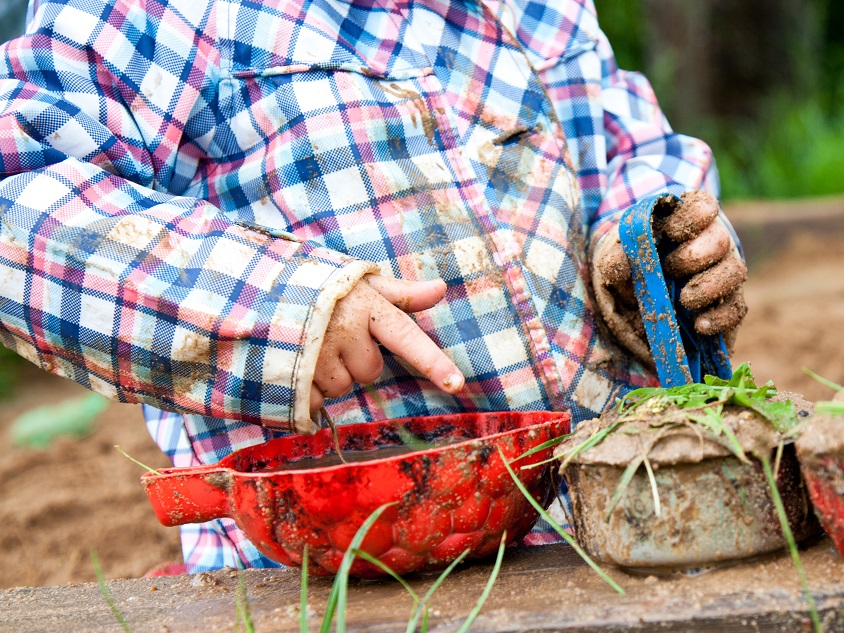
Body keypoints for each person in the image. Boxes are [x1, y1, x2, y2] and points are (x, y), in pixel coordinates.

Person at [0, 0, 745, 571]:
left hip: (618, 527)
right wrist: (287, 306)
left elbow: (625, 137)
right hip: (335, 575)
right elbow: (18, 200)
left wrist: (649, 230)